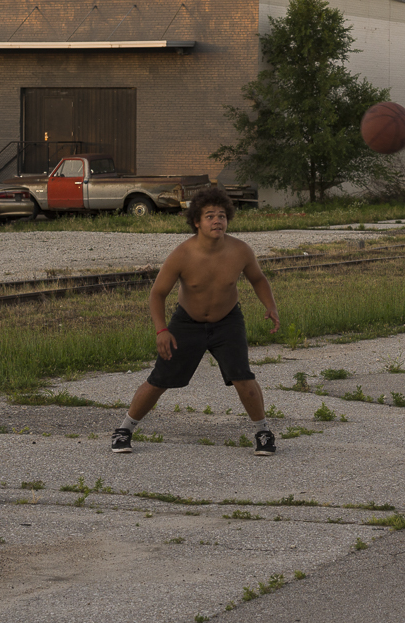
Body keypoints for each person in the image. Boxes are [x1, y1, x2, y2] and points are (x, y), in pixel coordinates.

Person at [111, 185, 280, 455]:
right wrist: (161, 330)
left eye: (222, 215)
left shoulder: (240, 250)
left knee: (243, 378)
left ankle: (263, 432)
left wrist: (270, 306)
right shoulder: (182, 254)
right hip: (187, 323)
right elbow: (157, 294)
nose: (217, 221)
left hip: (228, 322)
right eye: (210, 216)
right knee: (159, 380)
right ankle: (124, 430)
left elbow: (258, 279)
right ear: (197, 222)